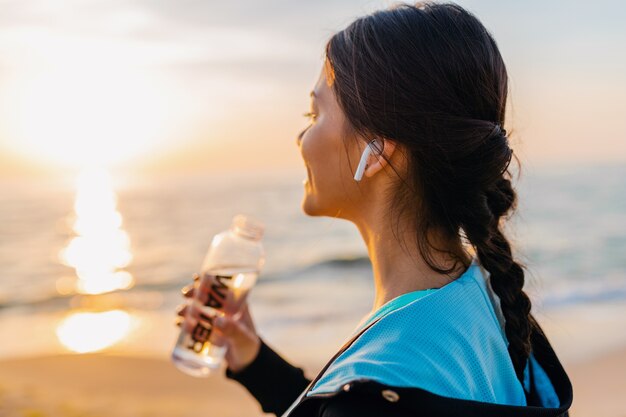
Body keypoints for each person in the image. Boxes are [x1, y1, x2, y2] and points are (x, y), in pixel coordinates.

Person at [176, 2, 573, 416]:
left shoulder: (387, 376)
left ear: (377, 151)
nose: (301, 136)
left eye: (315, 112)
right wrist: (253, 358)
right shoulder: (483, 296)